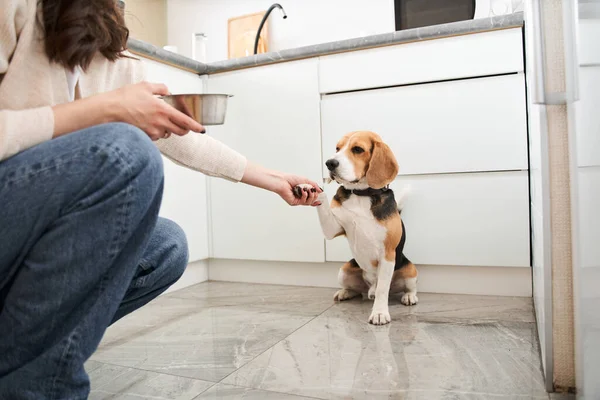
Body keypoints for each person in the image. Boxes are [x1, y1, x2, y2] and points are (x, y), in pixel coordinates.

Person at [0, 0, 322, 398]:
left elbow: (178, 138)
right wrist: (102, 110)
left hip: (32, 228)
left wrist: (272, 179)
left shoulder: (115, 49)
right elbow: (117, 142)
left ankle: (20, 364)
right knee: (125, 149)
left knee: (165, 246)